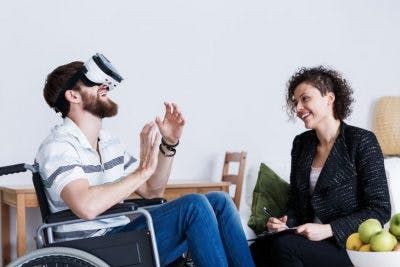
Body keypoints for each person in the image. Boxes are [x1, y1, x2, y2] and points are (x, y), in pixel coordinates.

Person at [35, 53, 255, 267]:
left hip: (120, 237)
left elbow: (152, 191)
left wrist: (169, 144)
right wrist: (141, 171)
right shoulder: (58, 146)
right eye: (94, 82)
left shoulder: (109, 142)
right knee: (193, 206)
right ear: (73, 95)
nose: (105, 86)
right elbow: (86, 206)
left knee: (220, 201)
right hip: (90, 248)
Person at [251, 66, 391, 267]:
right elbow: (296, 205)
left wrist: (329, 229)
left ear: (329, 98)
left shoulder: (361, 141)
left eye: (305, 99)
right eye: (295, 102)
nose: (298, 108)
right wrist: (285, 222)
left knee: (284, 247)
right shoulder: (301, 144)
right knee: (259, 248)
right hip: (306, 243)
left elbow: (379, 209)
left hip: (347, 247)